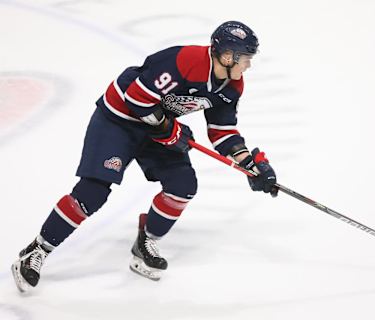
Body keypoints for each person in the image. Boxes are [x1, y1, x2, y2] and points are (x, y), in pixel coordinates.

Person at [11, 20, 277, 292]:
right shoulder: (185, 60)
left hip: (157, 127)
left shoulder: (232, 87)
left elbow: (222, 132)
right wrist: (169, 128)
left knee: (183, 186)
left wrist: (250, 164)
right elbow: (137, 99)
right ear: (227, 56)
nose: (248, 65)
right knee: (93, 192)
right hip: (119, 120)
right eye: (245, 58)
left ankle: (145, 241)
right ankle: (36, 251)